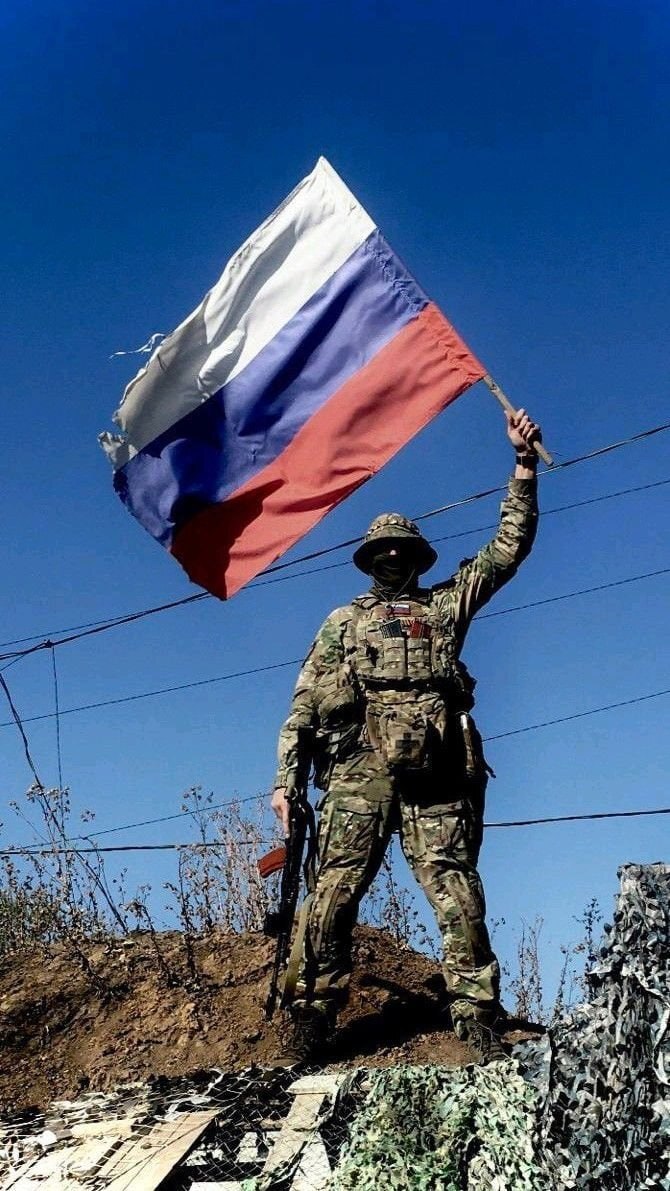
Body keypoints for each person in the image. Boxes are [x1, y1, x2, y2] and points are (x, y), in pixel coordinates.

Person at [271, 409, 542, 1064]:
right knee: (333, 890)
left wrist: (524, 467)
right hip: (357, 771)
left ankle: (474, 1011)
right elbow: (304, 706)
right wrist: (285, 783)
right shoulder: (342, 623)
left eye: (402, 549)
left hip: (437, 769)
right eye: (382, 550)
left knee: (454, 887)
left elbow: (506, 551)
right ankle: (313, 1011)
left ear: (418, 558)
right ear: (369, 560)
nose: (392, 557)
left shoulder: (444, 606)